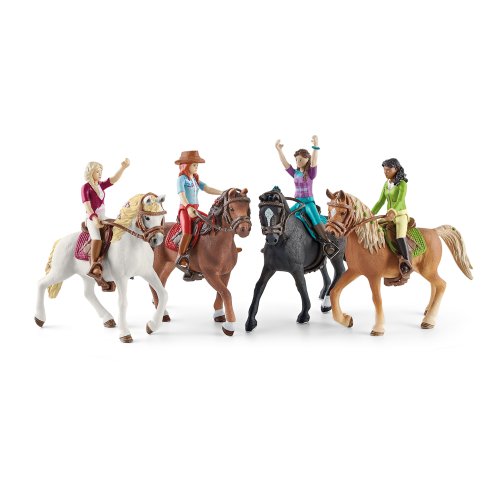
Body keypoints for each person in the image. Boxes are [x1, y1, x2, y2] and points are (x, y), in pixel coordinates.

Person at [275, 135, 337, 257]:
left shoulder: (311, 173)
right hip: (297, 202)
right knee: (284, 216)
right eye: (296, 160)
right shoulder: (295, 173)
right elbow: (285, 163)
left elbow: (314, 162)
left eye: (300, 159)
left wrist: (315, 146)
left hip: (308, 203)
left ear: (307, 159)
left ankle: (328, 243)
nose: (298, 162)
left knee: (315, 219)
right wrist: (279, 150)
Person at [175, 150, 222, 280]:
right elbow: (181, 195)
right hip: (185, 210)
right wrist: (188, 207)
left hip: (195, 210)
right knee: (187, 232)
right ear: (186, 165)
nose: (196, 167)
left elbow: (207, 188)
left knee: (211, 223)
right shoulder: (181, 179)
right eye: (194, 165)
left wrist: (222, 192)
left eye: (197, 165)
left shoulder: (195, 179)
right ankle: (180, 257)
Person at [81, 158, 130, 283]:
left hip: (103, 216)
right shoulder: (86, 187)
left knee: (118, 228)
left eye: (101, 171)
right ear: (91, 172)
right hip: (92, 218)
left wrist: (123, 167)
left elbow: (113, 179)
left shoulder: (100, 185)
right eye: (97, 171)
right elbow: (87, 206)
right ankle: (94, 265)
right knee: (97, 238)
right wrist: (94, 218)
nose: (100, 174)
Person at [371, 158, 412, 278]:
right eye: (384, 170)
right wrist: (370, 214)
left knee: (399, 236)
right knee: (375, 227)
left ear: (396, 169)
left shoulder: (402, 184)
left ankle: (406, 262)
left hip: (400, 215)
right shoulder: (386, 184)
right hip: (389, 216)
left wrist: (393, 211)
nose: (385, 172)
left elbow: (400, 200)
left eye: (388, 170)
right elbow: (380, 201)